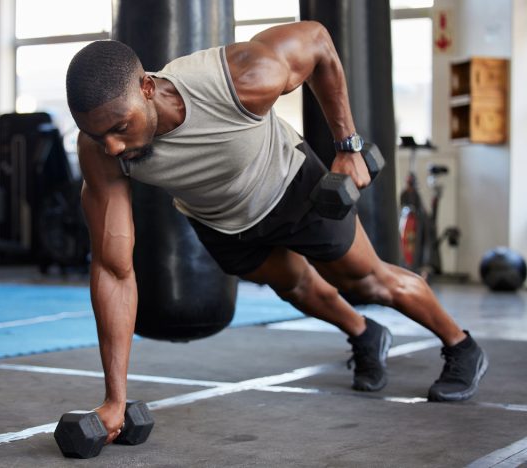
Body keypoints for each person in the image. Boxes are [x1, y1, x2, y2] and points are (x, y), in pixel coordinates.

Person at [65, 21, 488, 443]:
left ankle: (461, 345)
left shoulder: (238, 79)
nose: (113, 147)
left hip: (291, 187)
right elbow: (114, 269)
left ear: (147, 88)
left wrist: (348, 146)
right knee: (297, 288)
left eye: (120, 127)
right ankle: (364, 332)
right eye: (96, 134)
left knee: (366, 280)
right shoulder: (101, 152)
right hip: (222, 222)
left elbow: (319, 41)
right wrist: (115, 399)